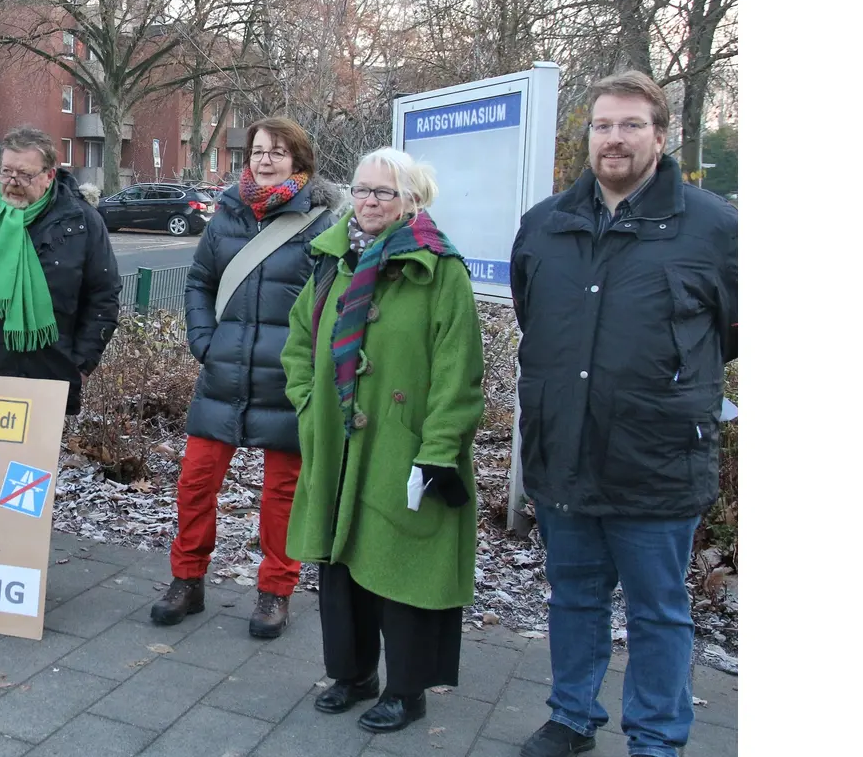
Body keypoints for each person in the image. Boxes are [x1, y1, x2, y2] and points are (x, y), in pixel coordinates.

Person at [510, 71, 737, 757]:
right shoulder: (545, 225)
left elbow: (734, 328)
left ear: (660, 137)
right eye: (603, 125)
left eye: (631, 125)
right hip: (566, 450)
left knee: (658, 612)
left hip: (657, 456)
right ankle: (573, 717)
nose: (614, 138)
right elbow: (534, 316)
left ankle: (657, 738)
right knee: (572, 596)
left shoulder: (714, 227)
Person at [281, 147, 484, 734]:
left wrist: (439, 450)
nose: (367, 202)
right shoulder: (332, 261)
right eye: (362, 190)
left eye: (383, 193)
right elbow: (299, 340)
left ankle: (406, 689)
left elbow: (458, 372)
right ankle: (352, 674)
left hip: (402, 446)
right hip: (337, 441)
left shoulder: (438, 269)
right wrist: (309, 400)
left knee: (401, 568)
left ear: (412, 202)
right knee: (340, 563)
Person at [150, 117, 341, 638]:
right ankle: (186, 581)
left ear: (299, 159)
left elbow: (331, 301)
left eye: (277, 151)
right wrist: (204, 341)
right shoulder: (228, 214)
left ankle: (276, 591)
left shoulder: (324, 222)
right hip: (224, 372)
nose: (264, 159)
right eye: (257, 150)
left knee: (283, 493)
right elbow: (199, 282)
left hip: (286, 380)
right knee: (195, 483)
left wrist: (309, 367)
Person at [0, 126, 119, 413]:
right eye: (5, 172)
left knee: (27, 462)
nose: (12, 182)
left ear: (49, 175)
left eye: (24, 175)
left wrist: (79, 367)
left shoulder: (81, 223)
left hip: (46, 379)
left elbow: (104, 297)